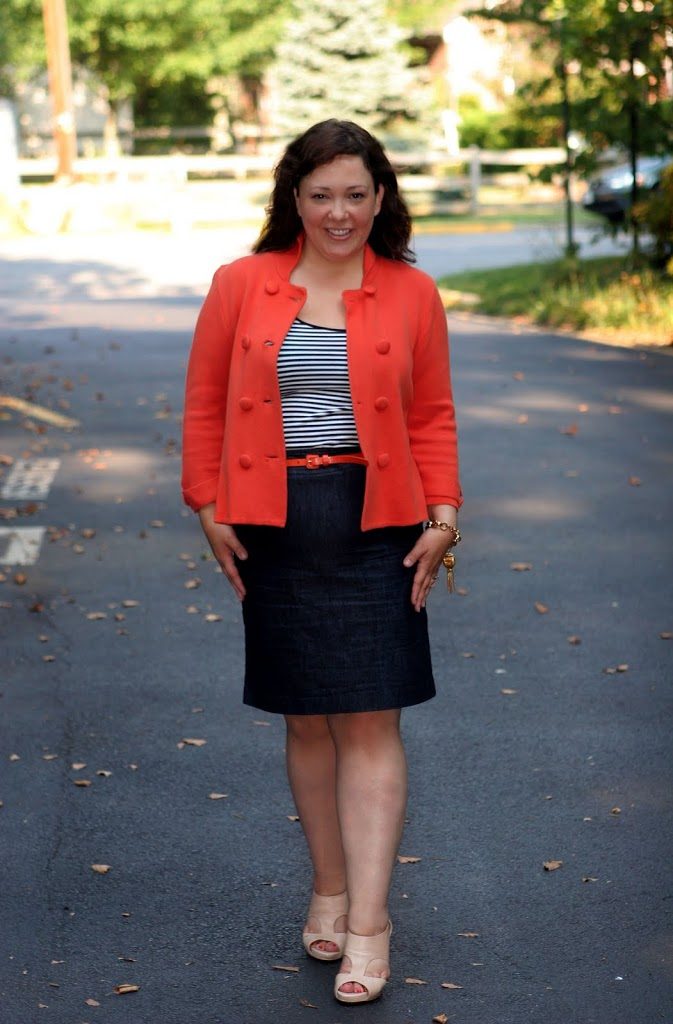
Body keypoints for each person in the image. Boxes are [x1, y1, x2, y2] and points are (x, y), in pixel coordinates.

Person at [181, 119, 462, 1005]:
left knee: (371, 721)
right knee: (306, 720)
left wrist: (444, 515)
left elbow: (432, 414)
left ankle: (369, 925)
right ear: (293, 199)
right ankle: (329, 890)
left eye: (355, 194)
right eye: (320, 195)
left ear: (380, 199)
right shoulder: (240, 284)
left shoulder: (412, 292)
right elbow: (204, 403)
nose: (338, 212)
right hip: (275, 519)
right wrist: (206, 506)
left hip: (379, 519)